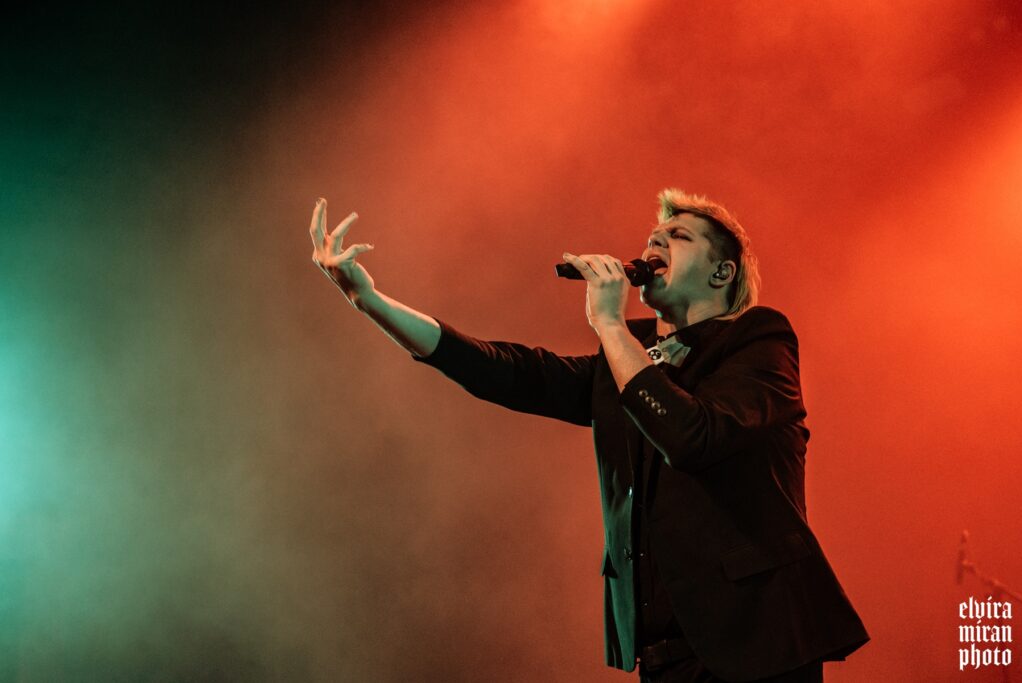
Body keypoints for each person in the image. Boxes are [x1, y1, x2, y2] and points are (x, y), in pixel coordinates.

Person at [308, 190, 869, 682]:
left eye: (678, 236)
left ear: (721, 274)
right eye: (653, 235)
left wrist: (609, 324)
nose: (655, 241)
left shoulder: (759, 340)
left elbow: (691, 436)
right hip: (663, 653)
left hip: (757, 640)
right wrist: (370, 301)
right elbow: (506, 370)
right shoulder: (625, 360)